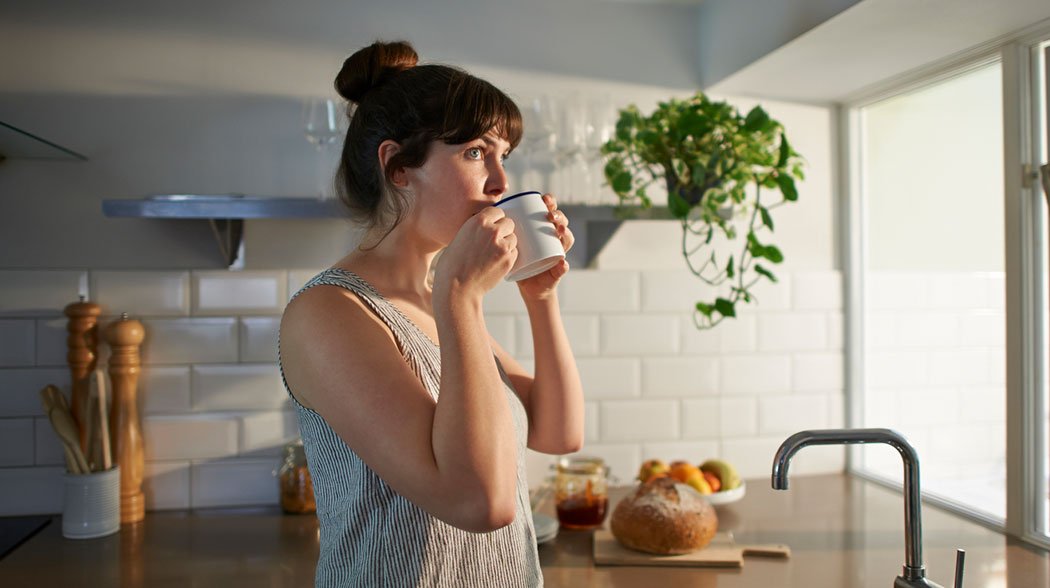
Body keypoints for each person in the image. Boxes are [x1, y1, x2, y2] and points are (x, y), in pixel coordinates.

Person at [278, 40, 584, 588]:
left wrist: (540, 298)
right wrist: (460, 296)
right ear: (398, 167)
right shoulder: (328, 313)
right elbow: (481, 503)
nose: (501, 182)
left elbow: (559, 433)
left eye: (503, 156)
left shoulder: (433, 300)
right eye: (474, 152)